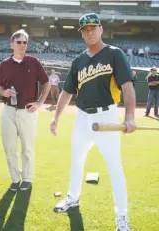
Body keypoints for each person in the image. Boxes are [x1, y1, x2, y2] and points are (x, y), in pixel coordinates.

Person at [49, 13, 136, 231]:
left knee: (115, 167)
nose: (89, 32)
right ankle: (73, 197)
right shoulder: (78, 61)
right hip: (82, 118)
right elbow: (67, 93)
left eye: (92, 28)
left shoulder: (114, 54)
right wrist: (56, 117)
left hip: (106, 116)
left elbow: (127, 86)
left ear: (101, 29)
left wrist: (130, 118)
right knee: (77, 161)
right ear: (81, 34)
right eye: (85, 30)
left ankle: (122, 217)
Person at [0, 29, 50, 192]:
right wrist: (3, 92)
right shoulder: (4, 64)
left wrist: (40, 102)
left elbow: (46, 83)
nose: (22, 45)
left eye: (25, 42)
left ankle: (27, 178)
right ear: (12, 44)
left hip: (28, 110)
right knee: (9, 146)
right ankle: (15, 178)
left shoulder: (34, 62)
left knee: (27, 147)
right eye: (18, 42)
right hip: (8, 110)